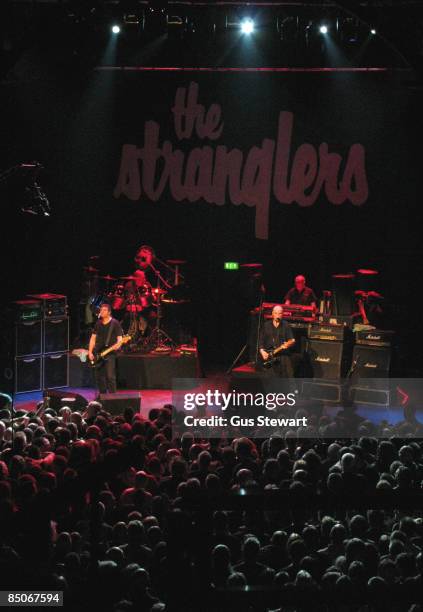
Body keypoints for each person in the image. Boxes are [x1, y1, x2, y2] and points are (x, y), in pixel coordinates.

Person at [88, 303, 123, 394]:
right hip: (98, 353)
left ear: (109, 312)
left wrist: (118, 345)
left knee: (110, 376)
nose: (101, 312)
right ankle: (103, 397)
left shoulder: (115, 323)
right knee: (100, 377)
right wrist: (90, 352)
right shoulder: (98, 323)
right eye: (101, 310)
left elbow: (120, 339)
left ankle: (113, 398)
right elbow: (93, 338)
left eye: (104, 310)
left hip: (110, 353)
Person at [259, 305, 295, 376]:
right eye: (276, 313)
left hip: (283, 356)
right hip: (269, 357)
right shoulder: (266, 325)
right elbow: (261, 342)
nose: (277, 315)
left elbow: (292, 340)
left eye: (280, 313)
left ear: (282, 314)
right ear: (272, 314)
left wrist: (288, 344)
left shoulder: (286, 325)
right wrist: (262, 351)